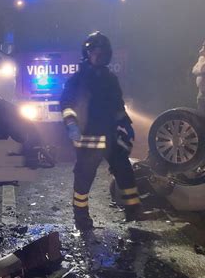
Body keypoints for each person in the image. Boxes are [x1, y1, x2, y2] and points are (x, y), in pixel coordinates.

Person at [59, 31, 143, 230]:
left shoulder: (110, 78)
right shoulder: (78, 79)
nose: (100, 56)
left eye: (103, 52)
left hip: (111, 136)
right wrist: (71, 124)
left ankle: (134, 211)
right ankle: (81, 218)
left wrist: (126, 124)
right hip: (88, 137)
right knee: (84, 179)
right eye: (96, 52)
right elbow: (66, 104)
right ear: (87, 53)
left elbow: (117, 105)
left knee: (125, 171)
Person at [0, 95, 43, 168]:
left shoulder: (2, 113)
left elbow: (1, 130)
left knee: (26, 142)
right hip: (27, 130)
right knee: (26, 143)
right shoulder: (7, 108)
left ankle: (29, 159)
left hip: (24, 131)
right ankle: (29, 157)